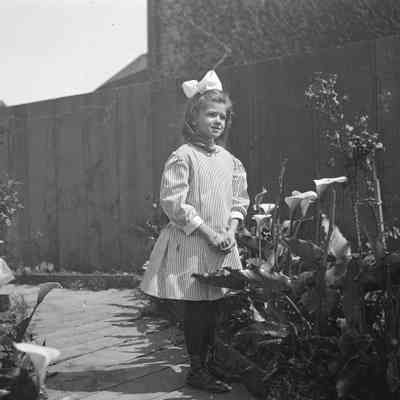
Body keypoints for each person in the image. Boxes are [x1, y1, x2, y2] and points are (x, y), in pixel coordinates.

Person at [140, 70, 250, 393]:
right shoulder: (183, 157)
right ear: (193, 117)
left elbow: (239, 200)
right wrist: (209, 233)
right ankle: (197, 368)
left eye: (222, 116)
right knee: (198, 307)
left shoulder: (230, 161)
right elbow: (174, 202)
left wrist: (230, 231)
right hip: (194, 244)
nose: (217, 121)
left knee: (216, 306)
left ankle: (212, 361)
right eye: (210, 114)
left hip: (222, 244)